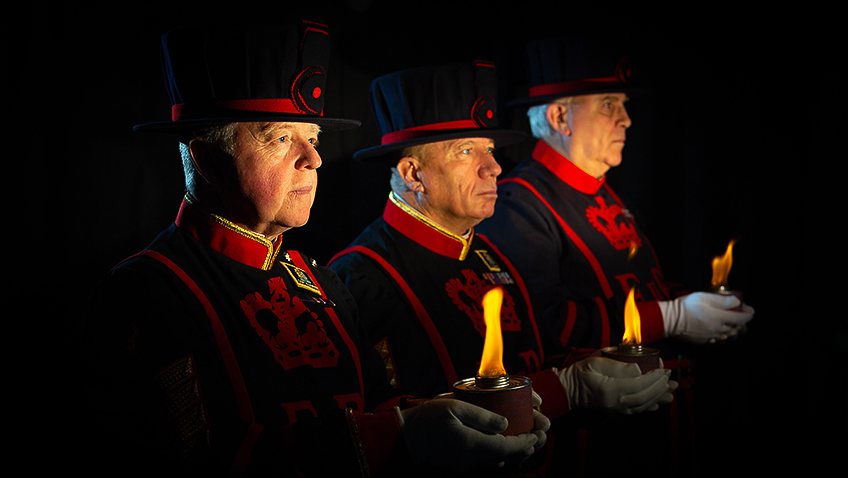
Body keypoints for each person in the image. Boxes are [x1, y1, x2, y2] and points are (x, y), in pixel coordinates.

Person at [81, 23, 548, 478]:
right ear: (206, 158)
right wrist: (398, 435)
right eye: (281, 138)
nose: (315, 158)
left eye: (315, 138)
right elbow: (201, 460)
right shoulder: (144, 294)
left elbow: (377, 403)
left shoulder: (321, 283)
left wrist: (453, 420)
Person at [327, 62, 677, 472]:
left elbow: (546, 357)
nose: (493, 167)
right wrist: (568, 389)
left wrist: (603, 375)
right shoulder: (362, 276)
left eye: (489, 149)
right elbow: (400, 424)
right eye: (466, 150)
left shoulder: (491, 255)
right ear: (412, 173)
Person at [476, 37, 756, 475]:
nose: (626, 118)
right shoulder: (519, 203)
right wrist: (676, 317)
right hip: (596, 440)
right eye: (608, 104)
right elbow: (546, 326)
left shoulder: (606, 193)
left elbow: (645, 287)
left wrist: (703, 308)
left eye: (622, 104)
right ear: (559, 116)